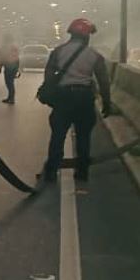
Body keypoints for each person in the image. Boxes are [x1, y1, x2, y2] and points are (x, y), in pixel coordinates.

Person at [41, 18, 112, 183]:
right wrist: (107, 103)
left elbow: (49, 77)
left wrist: (52, 97)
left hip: (64, 98)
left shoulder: (58, 52)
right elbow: (104, 81)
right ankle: (82, 172)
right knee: (83, 137)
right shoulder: (94, 55)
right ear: (87, 36)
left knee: (58, 136)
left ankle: (51, 171)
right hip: (84, 99)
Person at [0, 34, 21, 105]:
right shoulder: (15, 46)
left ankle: (11, 98)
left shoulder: (4, 47)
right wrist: (17, 68)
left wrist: (0, 67)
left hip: (8, 66)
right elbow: (17, 57)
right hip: (14, 66)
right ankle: (10, 97)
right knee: (11, 83)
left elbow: (2, 57)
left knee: (9, 83)